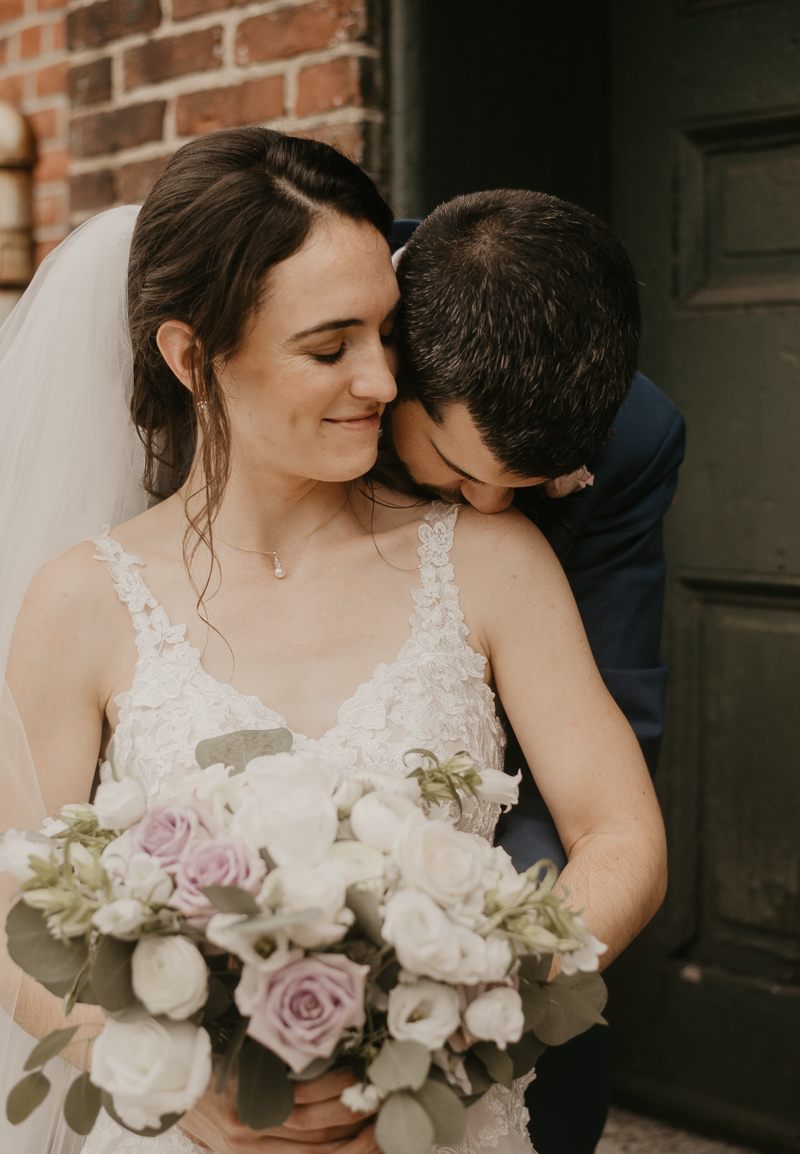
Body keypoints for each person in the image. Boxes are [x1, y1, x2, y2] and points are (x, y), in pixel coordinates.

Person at [0, 129, 667, 1154]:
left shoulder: (490, 558)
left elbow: (619, 839)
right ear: (191, 356)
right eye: (329, 346)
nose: (379, 380)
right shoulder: (79, 602)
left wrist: (453, 1021)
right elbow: (13, 912)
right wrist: (164, 1071)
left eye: (388, 333)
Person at [384, 193, 686, 1153]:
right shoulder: (316, 308)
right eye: (453, 463)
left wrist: (492, 961)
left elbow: (612, 712)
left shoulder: (635, 438)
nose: (484, 508)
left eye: (522, 487)